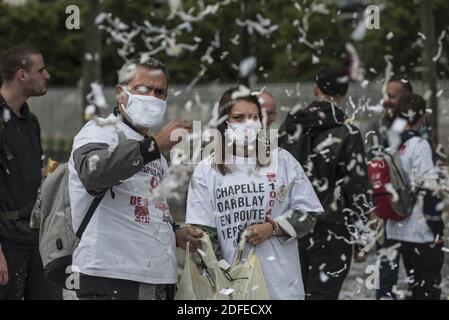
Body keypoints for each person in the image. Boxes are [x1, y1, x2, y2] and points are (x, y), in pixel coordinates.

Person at [68, 57, 202, 300]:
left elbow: (148, 209)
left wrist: (176, 233)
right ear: (120, 93)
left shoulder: (156, 155)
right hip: (109, 278)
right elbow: (92, 174)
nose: (152, 96)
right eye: (143, 89)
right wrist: (155, 145)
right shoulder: (99, 131)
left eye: (160, 92)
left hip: (158, 280)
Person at [185, 87, 324, 300]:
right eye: (239, 118)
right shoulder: (207, 169)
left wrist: (272, 228)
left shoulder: (283, 160)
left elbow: (309, 214)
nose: (248, 124)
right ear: (224, 122)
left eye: (254, 117)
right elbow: (203, 233)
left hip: (282, 284)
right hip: (234, 286)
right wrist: (224, 276)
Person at [280, 68, 373, 300]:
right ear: (343, 95)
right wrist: (362, 239)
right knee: (323, 295)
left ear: (316, 89)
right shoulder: (348, 133)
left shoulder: (291, 126)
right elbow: (357, 189)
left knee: (292, 294)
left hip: (291, 226)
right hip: (333, 229)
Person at [0, 45, 61, 299]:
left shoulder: (30, 120)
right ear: (22, 75)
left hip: (36, 240)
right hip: (6, 243)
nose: (47, 75)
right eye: (41, 69)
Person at [384, 93, 444, 300]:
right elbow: (429, 190)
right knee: (427, 290)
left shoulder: (391, 144)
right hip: (420, 232)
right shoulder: (420, 145)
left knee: (413, 286)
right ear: (422, 117)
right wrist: (438, 228)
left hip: (395, 227)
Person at [366, 77, 413, 300]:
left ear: (407, 99)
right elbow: (367, 169)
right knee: (385, 268)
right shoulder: (377, 126)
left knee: (417, 269)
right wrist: (372, 210)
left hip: (414, 211)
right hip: (386, 210)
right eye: (386, 95)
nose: (387, 101)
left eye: (393, 96)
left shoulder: (417, 125)